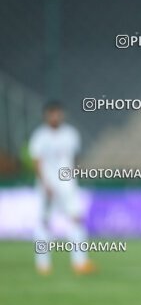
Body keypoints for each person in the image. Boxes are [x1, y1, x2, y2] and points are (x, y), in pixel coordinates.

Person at [29, 101, 95, 275]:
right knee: (44, 222)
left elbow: (74, 159)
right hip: (48, 185)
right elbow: (37, 162)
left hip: (67, 185)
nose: (55, 116)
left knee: (76, 219)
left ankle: (80, 262)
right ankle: (43, 263)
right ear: (46, 115)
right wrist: (45, 184)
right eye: (52, 113)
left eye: (58, 113)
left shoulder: (71, 134)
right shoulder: (40, 136)